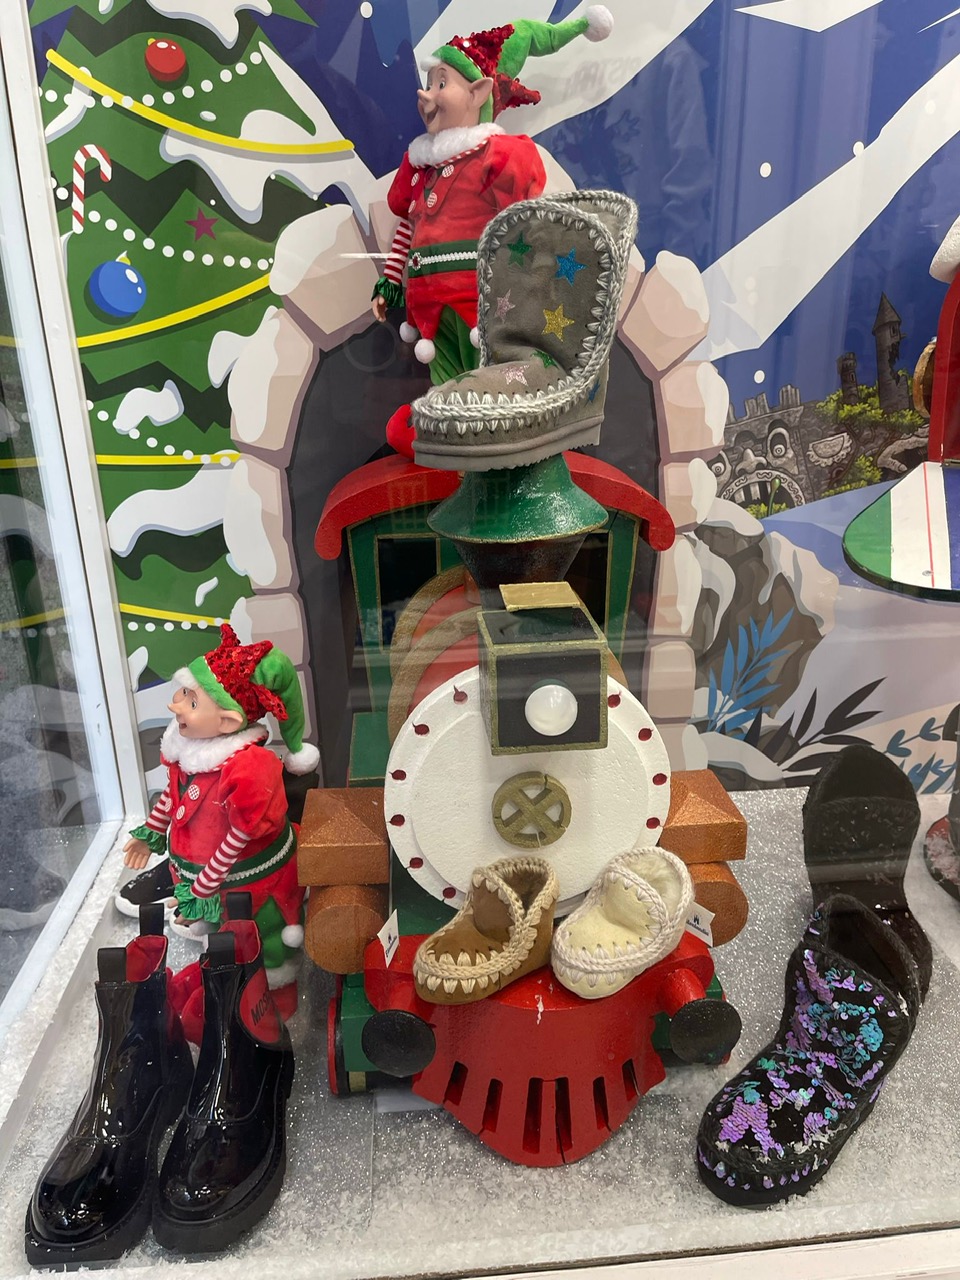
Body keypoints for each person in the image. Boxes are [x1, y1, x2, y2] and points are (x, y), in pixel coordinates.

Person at [372, 8, 613, 455]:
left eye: (441, 83)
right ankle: (447, 440)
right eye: (429, 83)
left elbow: (521, 224)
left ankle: (490, 444)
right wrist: (390, 280)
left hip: (481, 302)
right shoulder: (422, 168)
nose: (426, 95)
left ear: (478, 92)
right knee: (444, 377)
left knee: (484, 377)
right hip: (429, 304)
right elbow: (407, 225)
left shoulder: (494, 157)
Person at [123, 623, 319, 1017]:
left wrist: (202, 889)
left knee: (266, 937)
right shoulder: (189, 750)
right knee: (221, 939)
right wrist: (151, 832)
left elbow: (238, 837)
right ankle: (225, 989)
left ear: (228, 722)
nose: (176, 705)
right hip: (206, 883)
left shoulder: (248, 769)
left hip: (249, 883)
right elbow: (174, 796)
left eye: (192, 701)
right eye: (183, 693)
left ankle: (276, 1000)